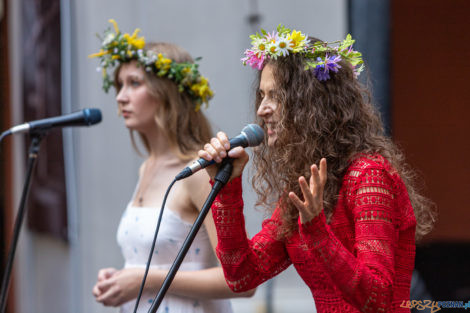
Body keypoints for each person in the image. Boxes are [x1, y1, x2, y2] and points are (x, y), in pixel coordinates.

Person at [198, 25, 436, 312]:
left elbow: (379, 298)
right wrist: (228, 189)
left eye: (276, 96)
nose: (262, 109)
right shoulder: (302, 187)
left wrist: (316, 231)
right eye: (262, 95)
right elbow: (242, 275)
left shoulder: (368, 176)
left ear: (311, 103)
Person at [89, 19, 254, 313]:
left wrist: (143, 279)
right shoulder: (147, 167)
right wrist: (121, 278)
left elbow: (242, 283)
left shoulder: (200, 171)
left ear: (166, 93)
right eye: (119, 85)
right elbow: (150, 259)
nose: (120, 96)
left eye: (134, 84)